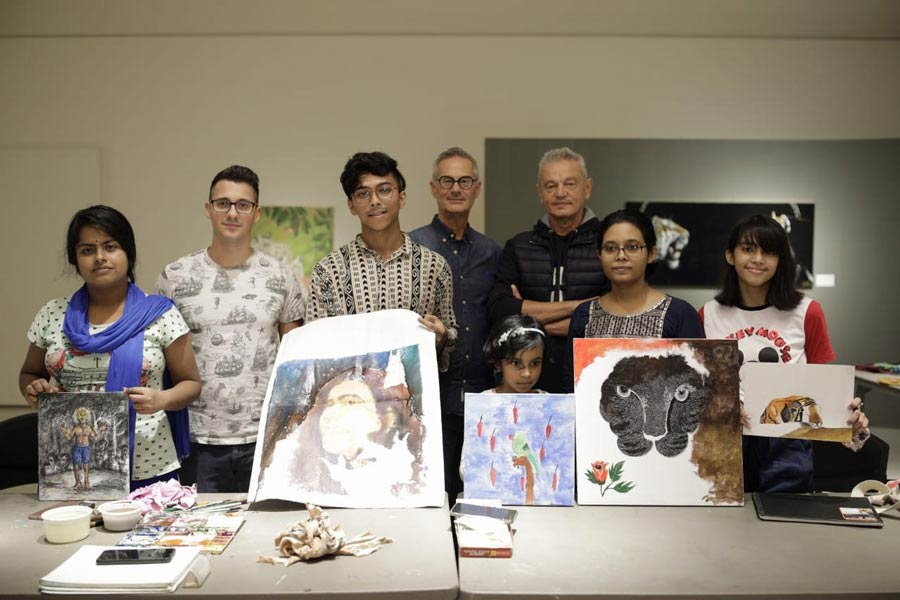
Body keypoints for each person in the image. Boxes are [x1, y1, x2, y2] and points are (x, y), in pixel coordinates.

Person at [20, 205, 201, 489]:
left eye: (110, 246)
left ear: (128, 253)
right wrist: (35, 390)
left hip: (149, 461)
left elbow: (191, 384)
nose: (100, 257)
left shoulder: (160, 314)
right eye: (87, 250)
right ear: (75, 259)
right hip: (71, 469)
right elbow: (29, 374)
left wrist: (161, 400)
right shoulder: (52, 314)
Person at [155, 165, 305, 492]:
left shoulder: (281, 276)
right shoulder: (176, 276)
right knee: (198, 536)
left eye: (243, 205)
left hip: (267, 436)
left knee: (265, 535)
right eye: (223, 203)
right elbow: (156, 356)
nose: (232, 213)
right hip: (196, 438)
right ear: (208, 209)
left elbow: (295, 358)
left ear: (257, 213)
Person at [700, 214, 869, 492]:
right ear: (730, 255)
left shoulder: (807, 311)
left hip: (788, 441)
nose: (758, 259)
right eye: (748, 249)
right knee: (723, 526)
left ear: (781, 260)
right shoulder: (708, 314)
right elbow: (702, 385)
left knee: (786, 525)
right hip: (726, 436)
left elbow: (823, 385)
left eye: (769, 251)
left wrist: (850, 418)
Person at [306, 151, 458, 368]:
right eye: (362, 194)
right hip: (348, 395)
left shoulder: (434, 266)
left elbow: (450, 333)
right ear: (351, 205)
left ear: (401, 198)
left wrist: (442, 337)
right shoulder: (329, 270)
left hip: (414, 396)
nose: (375, 201)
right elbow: (314, 346)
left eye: (385, 190)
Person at [409, 147, 500, 503]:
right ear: (433, 187)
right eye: (447, 180)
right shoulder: (413, 247)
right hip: (428, 395)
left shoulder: (493, 253)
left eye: (464, 181)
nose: (456, 188)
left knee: (479, 497)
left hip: (481, 395)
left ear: (476, 188)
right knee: (432, 495)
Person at [488, 147, 608, 393]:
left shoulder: (608, 245)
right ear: (539, 192)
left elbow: (611, 316)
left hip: (594, 375)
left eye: (570, 184)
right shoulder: (519, 246)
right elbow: (499, 310)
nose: (560, 193)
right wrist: (581, 307)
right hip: (529, 381)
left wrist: (529, 319)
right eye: (551, 186)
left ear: (587, 188)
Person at [568, 209, 704, 343]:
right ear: (599, 255)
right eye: (610, 248)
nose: (621, 256)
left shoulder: (680, 314)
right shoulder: (584, 315)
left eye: (632, 247)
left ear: (651, 254)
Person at [482, 315, 547, 394]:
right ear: (498, 362)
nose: (527, 374)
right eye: (516, 363)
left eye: (535, 363)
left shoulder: (552, 403)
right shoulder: (483, 402)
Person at [60, 407, 107, 490]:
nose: (82, 418)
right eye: (80, 416)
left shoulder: (89, 428)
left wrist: (101, 430)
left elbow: (96, 437)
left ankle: (86, 482)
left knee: (86, 466)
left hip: (85, 448)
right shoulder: (76, 428)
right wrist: (64, 431)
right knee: (76, 466)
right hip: (77, 448)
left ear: (87, 417)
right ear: (77, 417)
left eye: (84, 415)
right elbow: (69, 437)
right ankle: (78, 482)